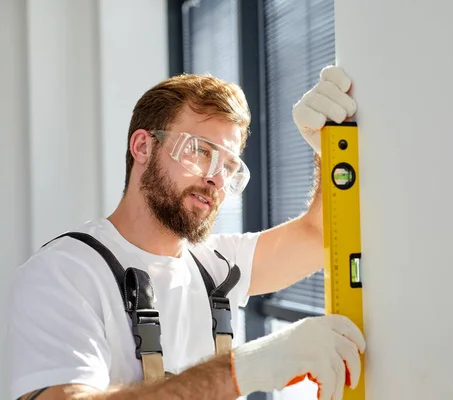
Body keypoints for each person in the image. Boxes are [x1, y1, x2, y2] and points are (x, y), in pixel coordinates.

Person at [6, 65, 364, 400]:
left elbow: (321, 235)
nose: (216, 178)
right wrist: (246, 369)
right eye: (198, 150)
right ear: (143, 147)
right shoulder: (64, 274)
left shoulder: (218, 265)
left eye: (228, 165)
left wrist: (328, 150)